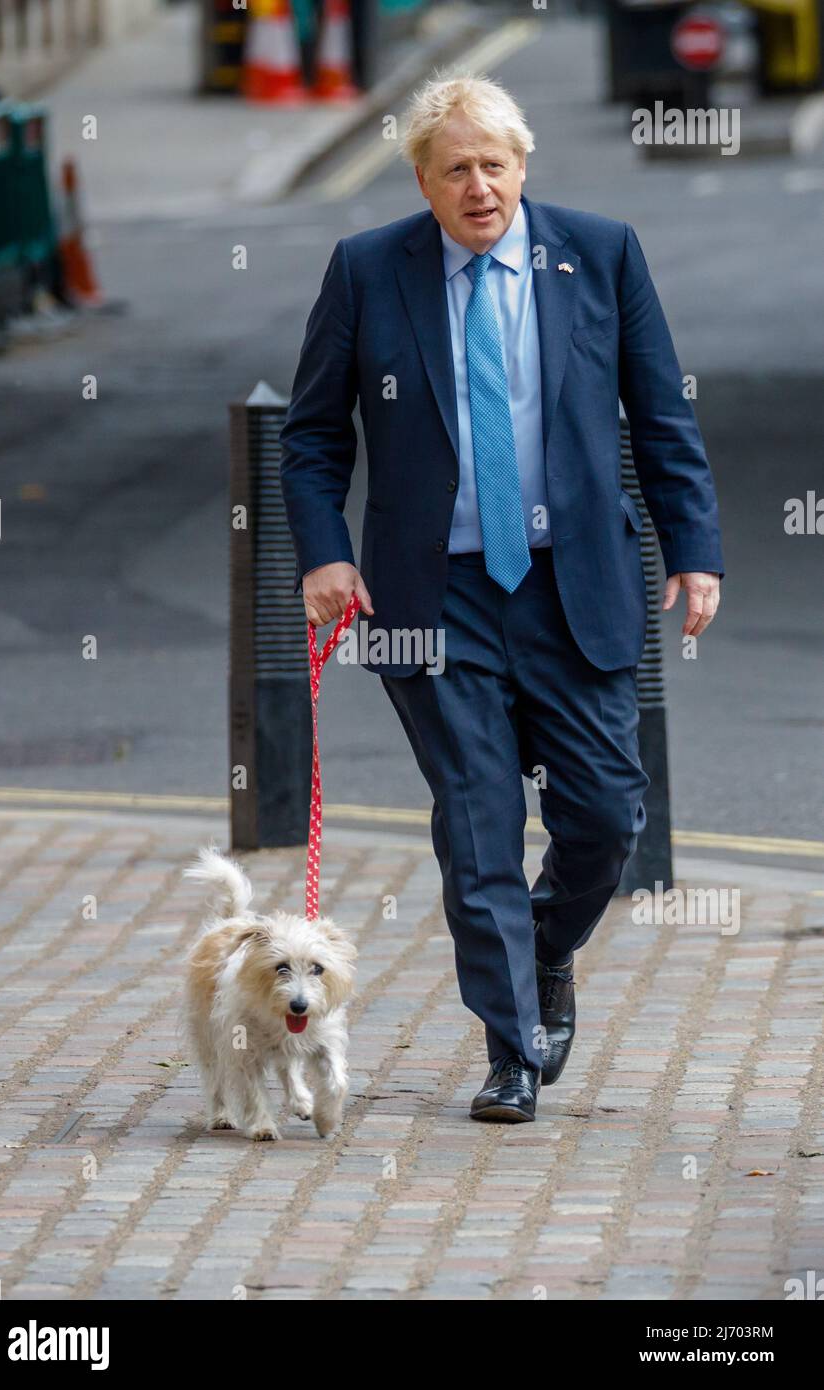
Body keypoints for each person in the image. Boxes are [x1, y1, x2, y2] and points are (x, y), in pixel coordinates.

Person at [279, 74, 723, 1123]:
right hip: (429, 596)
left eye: (494, 164)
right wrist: (323, 553)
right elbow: (308, 436)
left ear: (522, 167)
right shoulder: (366, 271)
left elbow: (661, 414)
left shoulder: (600, 253)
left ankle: (542, 947)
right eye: (454, 169)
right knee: (476, 820)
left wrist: (693, 549)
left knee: (604, 815)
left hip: (576, 584)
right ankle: (511, 1048)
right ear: (423, 182)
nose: (478, 187)